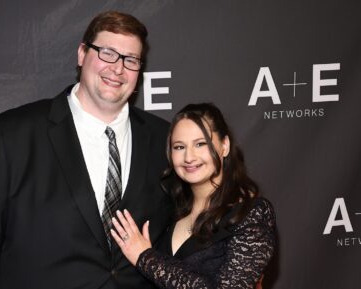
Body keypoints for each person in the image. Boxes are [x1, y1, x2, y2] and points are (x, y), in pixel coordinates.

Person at [0, 11, 173, 289]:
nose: (117, 68)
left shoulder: (166, 139)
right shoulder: (12, 134)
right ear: (82, 54)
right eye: (107, 53)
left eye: (131, 60)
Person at [111, 103, 276, 288]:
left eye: (200, 144)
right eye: (179, 147)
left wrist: (145, 257)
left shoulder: (251, 213)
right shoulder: (170, 211)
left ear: (225, 145)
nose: (189, 157)